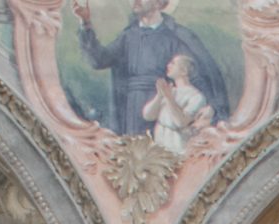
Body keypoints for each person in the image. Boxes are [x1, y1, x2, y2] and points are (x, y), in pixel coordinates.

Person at [71, 0, 231, 137]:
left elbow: (197, 74)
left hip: (164, 108)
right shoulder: (129, 36)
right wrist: (86, 23)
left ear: (158, 3)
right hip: (132, 109)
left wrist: (212, 105)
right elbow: (99, 60)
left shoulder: (176, 36)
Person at [141, 52, 211, 155]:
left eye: (173, 63)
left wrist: (168, 97)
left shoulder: (196, 96)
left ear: (183, 71)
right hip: (159, 146)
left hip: (178, 148)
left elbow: (180, 122)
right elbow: (148, 115)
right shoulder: (170, 90)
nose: (168, 65)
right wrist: (159, 96)